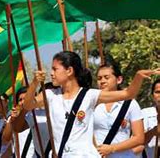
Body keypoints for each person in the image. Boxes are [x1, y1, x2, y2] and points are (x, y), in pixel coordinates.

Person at [23, 51, 159, 157]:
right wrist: (34, 83)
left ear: (69, 71)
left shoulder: (89, 95)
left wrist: (138, 77)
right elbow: (28, 105)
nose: (51, 74)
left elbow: (128, 94)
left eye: (55, 69)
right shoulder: (50, 95)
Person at [93, 61, 144, 157]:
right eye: (99, 78)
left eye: (106, 77)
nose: (102, 81)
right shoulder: (92, 104)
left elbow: (139, 137)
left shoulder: (130, 103)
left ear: (119, 79)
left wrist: (112, 148)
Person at [142, 79, 160, 157]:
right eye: (157, 92)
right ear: (152, 95)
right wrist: (153, 131)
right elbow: (138, 142)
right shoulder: (144, 113)